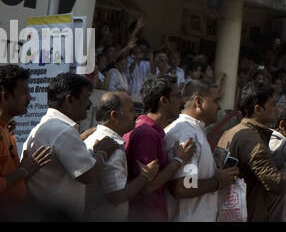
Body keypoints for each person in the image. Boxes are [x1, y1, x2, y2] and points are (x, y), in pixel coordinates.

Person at [22, 73, 121, 221]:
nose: (90, 104)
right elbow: (88, 175)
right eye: (86, 97)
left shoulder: (50, 127)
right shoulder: (61, 130)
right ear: (70, 99)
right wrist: (102, 152)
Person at [218, 79, 286, 222]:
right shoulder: (251, 139)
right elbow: (275, 183)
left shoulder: (232, 132)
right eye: (272, 105)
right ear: (258, 109)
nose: (276, 109)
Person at [166, 79, 239, 221]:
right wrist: (218, 181)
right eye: (216, 101)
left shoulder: (195, 130)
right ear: (198, 102)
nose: (219, 106)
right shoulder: (186, 133)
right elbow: (184, 186)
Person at [126, 75, 195, 222]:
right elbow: (147, 186)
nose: (181, 102)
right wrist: (178, 161)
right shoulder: (147, 134)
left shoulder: (152, 132)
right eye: (177, 96)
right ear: (164, 101)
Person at [84, 91, 159, 221]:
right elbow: (116, 196)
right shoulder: (112, 147)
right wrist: (145, 175)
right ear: (114, 116)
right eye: (131, 111)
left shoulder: (94, 138)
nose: (135, 116)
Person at [0, 65, 53, 218]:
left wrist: (21, 169)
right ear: (5, 96)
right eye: (24, 92)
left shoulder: (5, 128)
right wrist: (24, 170)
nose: (30, 98)